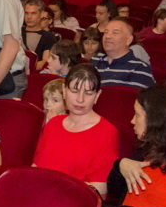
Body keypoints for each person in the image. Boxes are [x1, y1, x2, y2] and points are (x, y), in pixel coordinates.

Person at [33, 64, 119, 195]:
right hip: (39, 193)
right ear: (64, 90)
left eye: (88, 93)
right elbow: (36, 167)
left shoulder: (106, 132)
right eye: (74, 91)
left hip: (73, 201)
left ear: (97, 95)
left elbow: (99, 190)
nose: (80, 99)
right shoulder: (53, 124)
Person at [92, 19, 155, 88]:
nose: (107, 36)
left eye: (115, 33)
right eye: (106, 32)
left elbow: (130, 97)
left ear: (128, 40)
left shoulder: (140, 68)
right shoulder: (93, 62)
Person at [21, 0, 58, 70]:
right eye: (26, 13)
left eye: (33, 13)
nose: (29, 17)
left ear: (41, 14)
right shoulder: (15, 32)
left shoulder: (48, 37)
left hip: (34, 75)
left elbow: (45, 62)